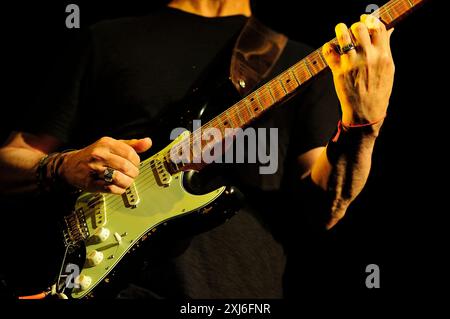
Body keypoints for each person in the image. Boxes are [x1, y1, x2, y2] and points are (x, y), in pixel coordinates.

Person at [0, 0, 394, 298]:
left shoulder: (302, 61)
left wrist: (362, 126)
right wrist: (65, 164)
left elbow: (326, 209)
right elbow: (9, 162)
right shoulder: (105, 39)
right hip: (105, 287)